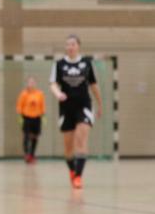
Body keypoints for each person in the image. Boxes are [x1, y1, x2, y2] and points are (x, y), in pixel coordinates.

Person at [49, 35, 103, 189]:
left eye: (72, 44)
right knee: (68, 148)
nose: (70, 47)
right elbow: (52, 83)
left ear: (78, 46)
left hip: (84, 106)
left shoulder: (86, 63)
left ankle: (78, 176)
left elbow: (93, 85)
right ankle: (72, 170)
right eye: (67, 44)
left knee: (81, 139)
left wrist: (100, 104)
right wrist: (58, 93)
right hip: (66, 108)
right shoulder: (59, 64)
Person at [16, 76, 45, 164]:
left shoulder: (39, 94)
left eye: (33, 82)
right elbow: (19, 105)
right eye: (30, 82)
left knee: (35, 137)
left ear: (35, 84)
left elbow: (42, 105)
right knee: (26, 136)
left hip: (37, 117)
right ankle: (26, 154)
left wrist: (43, 116)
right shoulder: (24, 94)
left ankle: (32, 154)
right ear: (27, 84)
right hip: (27, 117)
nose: (31, 84)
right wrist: (20, 116)